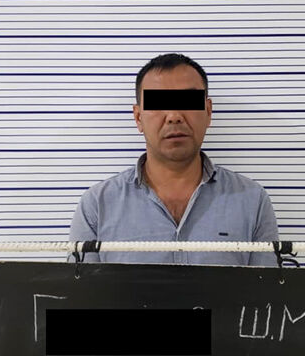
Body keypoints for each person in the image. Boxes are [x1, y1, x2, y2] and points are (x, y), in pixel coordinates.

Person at [69, 53, 279, 266]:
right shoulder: (97, 207)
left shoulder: (253, 202)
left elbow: (267, 287)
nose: (174, 116)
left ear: (208, 111)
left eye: (187, 101)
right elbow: (80, 288)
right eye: (158, 103)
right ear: (138, 117)